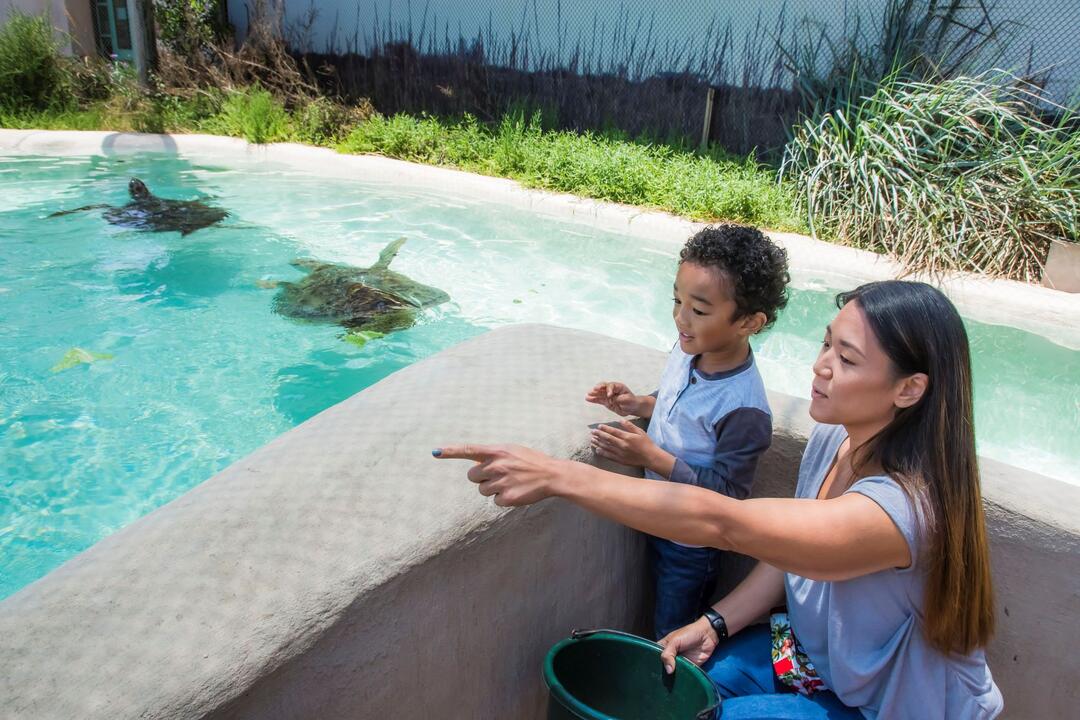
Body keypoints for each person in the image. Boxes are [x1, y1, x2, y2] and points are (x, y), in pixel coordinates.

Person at [434, 280, 1002, 719]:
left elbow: (727, 523)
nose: (820, 366)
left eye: (847, 359)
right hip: (818, 664)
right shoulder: (838, 435)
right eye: (826, 343)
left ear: (909, 389)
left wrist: (560, 475)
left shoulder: (900, 509)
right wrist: (715, 623)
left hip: (887, 706)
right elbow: (789, 555)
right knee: (681, 688)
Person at [584, 224, 789, 638]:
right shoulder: (688, 347)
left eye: (698, 310)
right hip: (657, 516)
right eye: (677, 301)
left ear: (749, 321)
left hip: (689, 548)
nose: (681, 318)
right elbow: (680, 402)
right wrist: (638, 403)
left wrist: (650, 456)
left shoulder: (745, 408)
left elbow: (729, 495)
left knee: (672, 631)